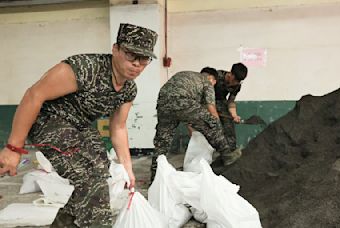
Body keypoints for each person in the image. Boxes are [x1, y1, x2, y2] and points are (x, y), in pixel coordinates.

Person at [0, 23, 157, 227]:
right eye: (130, 55)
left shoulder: (128, 89)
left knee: (100, 171)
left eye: (144, 58)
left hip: (79, 126)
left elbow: (118, 127)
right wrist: (14, 148)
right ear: (115, 49)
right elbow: (33, 95)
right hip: (48, 120)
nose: (137, 64)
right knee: (90, 177)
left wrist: (128, 167)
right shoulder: (84, 68)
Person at [151, 68, 241, 181]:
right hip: (182, 100)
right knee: (212, 122)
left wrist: (193, 132)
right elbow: (211, 108)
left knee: (162, 142)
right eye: (214, 83)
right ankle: (227, 155)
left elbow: (190, 117)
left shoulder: (185, 75)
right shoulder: (206, 81)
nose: (213, 85)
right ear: (211, 78)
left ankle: (154, 178)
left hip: (163, 102)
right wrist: (217, 126)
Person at [214, 63, 248, 153]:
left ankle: (230, 153)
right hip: (206, 102)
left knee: (229, 126)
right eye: (235, 79)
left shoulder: (237, 85)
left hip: (221, 102)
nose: (236, 83)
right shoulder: (216, 76)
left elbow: (231, 101)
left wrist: (234, 115)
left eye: (239, 81)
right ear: (230, 73)